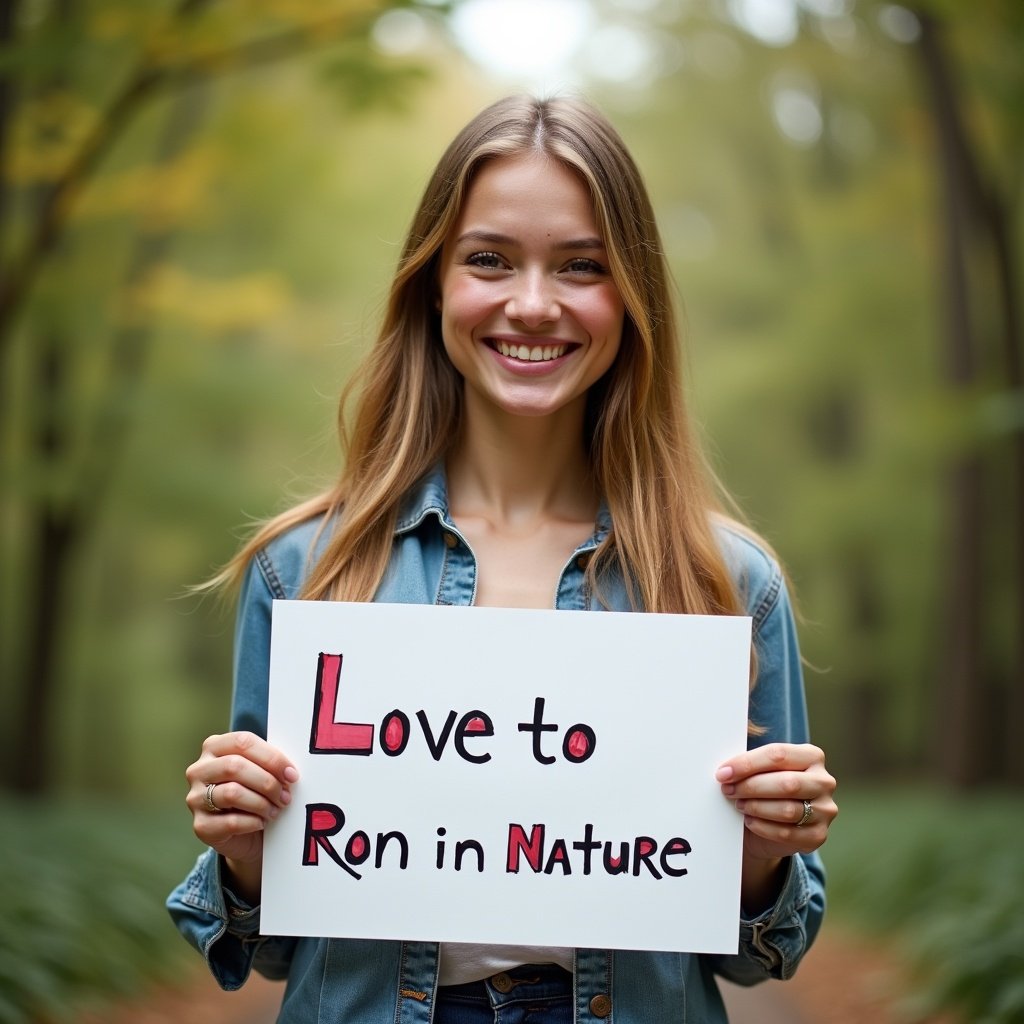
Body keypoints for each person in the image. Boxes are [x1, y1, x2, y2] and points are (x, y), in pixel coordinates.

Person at [167, 94, 838, 1024]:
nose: (531, 302)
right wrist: (242, 843)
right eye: (488, 259)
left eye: (582, 265)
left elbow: (760, 962)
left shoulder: (728, 586)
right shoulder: (304, 571)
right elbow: (272, 946)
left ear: (632, 295)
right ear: (432, 284)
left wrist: (767, 852)